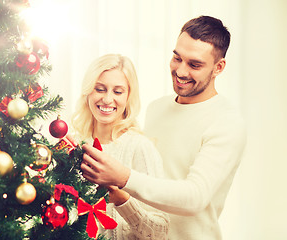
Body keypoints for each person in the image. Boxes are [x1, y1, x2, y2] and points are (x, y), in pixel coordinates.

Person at [81, 16, 247, 240]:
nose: (180, 71)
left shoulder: (226, 121)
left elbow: (195, 197)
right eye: (177, 58)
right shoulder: (157, 109)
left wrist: (124, 178)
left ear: (218, 67)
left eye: (194, 64)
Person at [71, 53, 169, 239]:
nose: (107, 100)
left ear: (128, 96)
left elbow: (159, 233)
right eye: (100, 89)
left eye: (117, 92)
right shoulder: (74, 146)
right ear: (88, 92)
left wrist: (123, 201)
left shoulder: (141, 148)